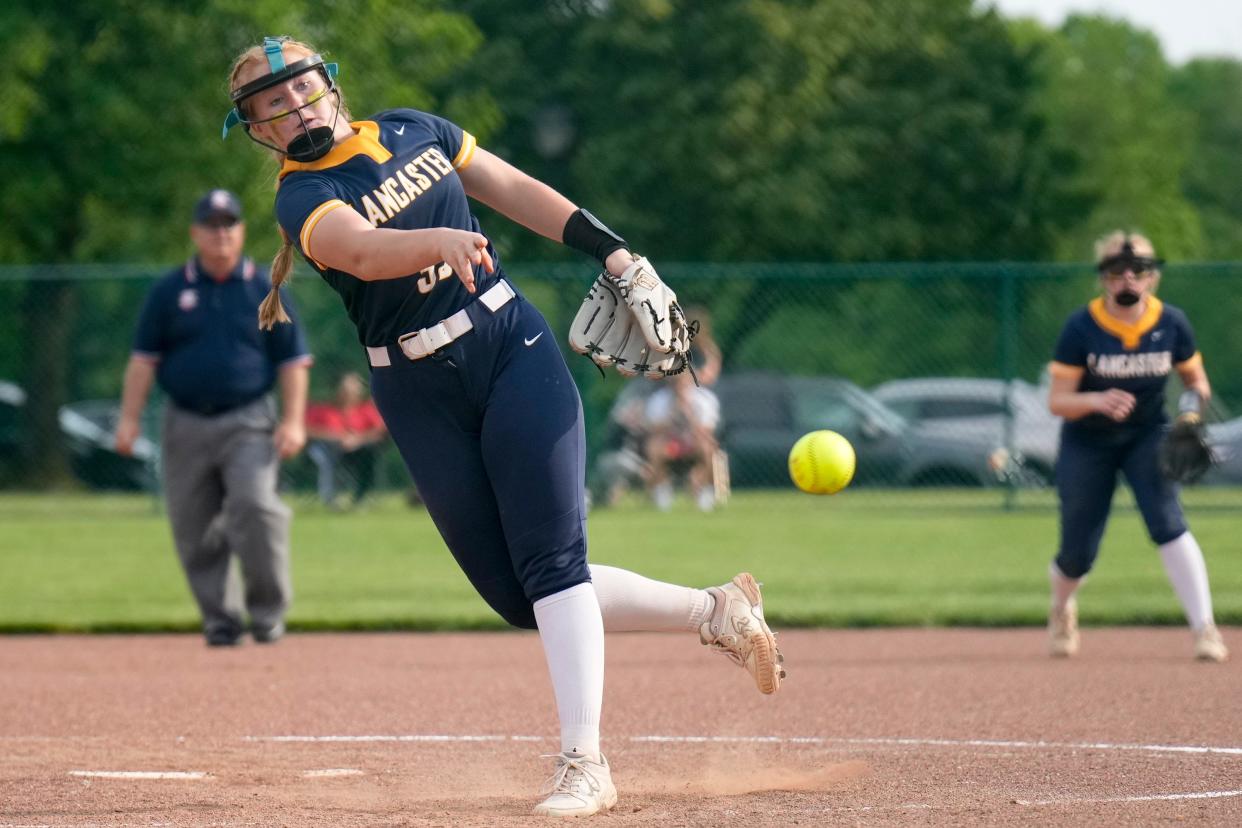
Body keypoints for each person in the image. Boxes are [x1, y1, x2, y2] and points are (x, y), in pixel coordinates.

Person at [222, 37, 785, 817]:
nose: (294, 108)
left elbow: (515, 188)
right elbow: (356, 248)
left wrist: (613, 252)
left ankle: (585, 764)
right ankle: (712, 609)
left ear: (332, 87)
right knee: (524, 598)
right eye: (270, 105)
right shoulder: (300, 194)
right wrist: (437, 240)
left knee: (554, 564)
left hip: (510, 347)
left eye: (301, 88)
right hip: (415, 388)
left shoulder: (415, 129)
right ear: (257, 130)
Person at [116, 188, 312, 647]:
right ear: (195, 233)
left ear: (241, 231)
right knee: (193, 525)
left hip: (248, 420)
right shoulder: (170, 291)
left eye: (229, 224)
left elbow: (293, 360)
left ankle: (266, 614)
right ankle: (220, 620)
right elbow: (143, 359)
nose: (221, 233)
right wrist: (128, 419)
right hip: (184, 421)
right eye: (212, 225)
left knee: (256, 508)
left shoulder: (265, 286)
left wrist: (294, 421)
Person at [1045, 230, 1228, 662]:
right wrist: (1093, 399)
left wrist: (1188, 414)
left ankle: (1205, 628)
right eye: (1115, 270)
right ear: (1103, 278)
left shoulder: (1171, 323)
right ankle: (1061, 608)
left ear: (1153, 277)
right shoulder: (1081, 326)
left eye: (1139, 269)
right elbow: (1057, 400)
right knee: (1077, 552)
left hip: (1148, 434)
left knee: (1168, 521)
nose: (1128, 278)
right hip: (1088, 440)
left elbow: (1196, 383)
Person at [643, 306, 725, 511]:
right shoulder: (660, 400)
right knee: (653, 447)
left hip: (692, 442)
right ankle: (661, 494)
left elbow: (705, 432)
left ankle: (703, 492)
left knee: (709, 448)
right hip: (671, 444)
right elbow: (656, 431)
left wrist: (687, 409)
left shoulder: (703, 400)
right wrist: (675, 409)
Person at [305, 371, 387, 508]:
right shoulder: (323, 409)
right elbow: (307, 429)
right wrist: (336, 436)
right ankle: (331, 499)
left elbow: (379, 431)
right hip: (325, 449)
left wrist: (357, 440)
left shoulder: (365, 410)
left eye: (354, 388)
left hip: (355, 452)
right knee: (326, 455)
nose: (349, 392)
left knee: (369, 453)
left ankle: (360, 498)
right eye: (345, 388)